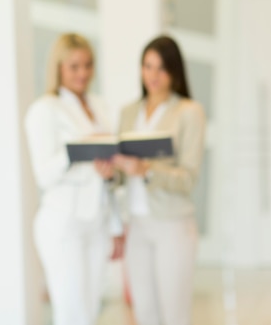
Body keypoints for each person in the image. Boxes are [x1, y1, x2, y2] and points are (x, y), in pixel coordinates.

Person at [95, 35, 206, 325]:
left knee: (175, 314)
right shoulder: (129, 113)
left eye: (161, 68)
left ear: (174, 72)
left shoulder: (188, 112)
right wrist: (112, 172)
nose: (152, 76)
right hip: (138, 226)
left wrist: (146, 170)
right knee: (145, 313)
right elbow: (122, 173)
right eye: (147, 66)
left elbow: (188, 178)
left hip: (173, 225)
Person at [24, 33, 124, 325]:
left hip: (99, 222)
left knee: (90, 311)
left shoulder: (101, 107)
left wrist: (116, 225)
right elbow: (44, 174)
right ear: (59, 67)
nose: (83, 73)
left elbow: (111, 167)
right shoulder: (45, 109)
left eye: (88, 65)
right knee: (71, 314)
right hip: (64, 225)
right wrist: (80, 150)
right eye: (74, 66)